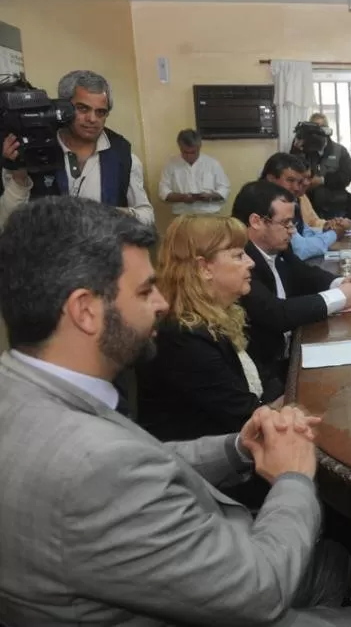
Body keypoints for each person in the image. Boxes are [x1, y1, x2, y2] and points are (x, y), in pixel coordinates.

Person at [0, 197, 351, 627]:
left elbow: (146, 461)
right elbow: (261, 592)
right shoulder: (93, 465)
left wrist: (237, 445)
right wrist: (294, 478)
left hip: (199, 560)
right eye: (143, 292)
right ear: (85, 310)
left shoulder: (27, 391)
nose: (160, 304)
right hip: (238, 588)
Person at [136, 215, 284, 442]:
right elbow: (246, 418)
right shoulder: (181, 336)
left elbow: (266, 378)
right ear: (204, 267)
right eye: (238, 255)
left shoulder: (224, 312)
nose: (251, 262)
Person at [233, 180, 351, 382]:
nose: (291, 230)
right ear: (256, 221)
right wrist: (339, 296)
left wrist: (340, 282)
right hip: (267, 370)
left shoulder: (277, 246)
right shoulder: (240, 261)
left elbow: (304, 273)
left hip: (291, 351)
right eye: (285, 223)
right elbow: (276, 313)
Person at [0, 69, 153, 227]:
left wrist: (108, 213)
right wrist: (19, 177)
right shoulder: (29, 149)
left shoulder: (124, 157)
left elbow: (147, 216)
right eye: (83, 108)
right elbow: (7, 223)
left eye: (100, 112)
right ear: (62, 107)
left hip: (105, 249)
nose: (92, 119)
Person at [260, 152, 350, 260]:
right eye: (290, 180)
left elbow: (305, 233)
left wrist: (326, 229)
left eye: (298, 182)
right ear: (271, 178)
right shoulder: (262, 203)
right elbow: (300, 250)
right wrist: (334, 233)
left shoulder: (292, 201)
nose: (297, 187)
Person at [292, 113, 351, 219]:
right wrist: (296, 149)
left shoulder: (340, 151)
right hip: (310, 205)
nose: (317, 132)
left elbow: (346, 176)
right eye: (314, 128)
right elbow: (293, 170)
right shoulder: (304, 149)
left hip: (335, 204)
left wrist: (322, 180)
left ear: (327, 130)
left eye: (321, 127)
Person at [158, 128, 230, 215]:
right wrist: (182, 198)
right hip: (182, 215)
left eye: (193, 152)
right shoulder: (171, 165)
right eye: (185, 152)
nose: (189, 156)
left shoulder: (212, 164)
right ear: (179, 147)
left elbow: (224, 189)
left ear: (199, 147)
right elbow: (163, 191)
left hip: (209, 213)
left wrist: (210, 197)